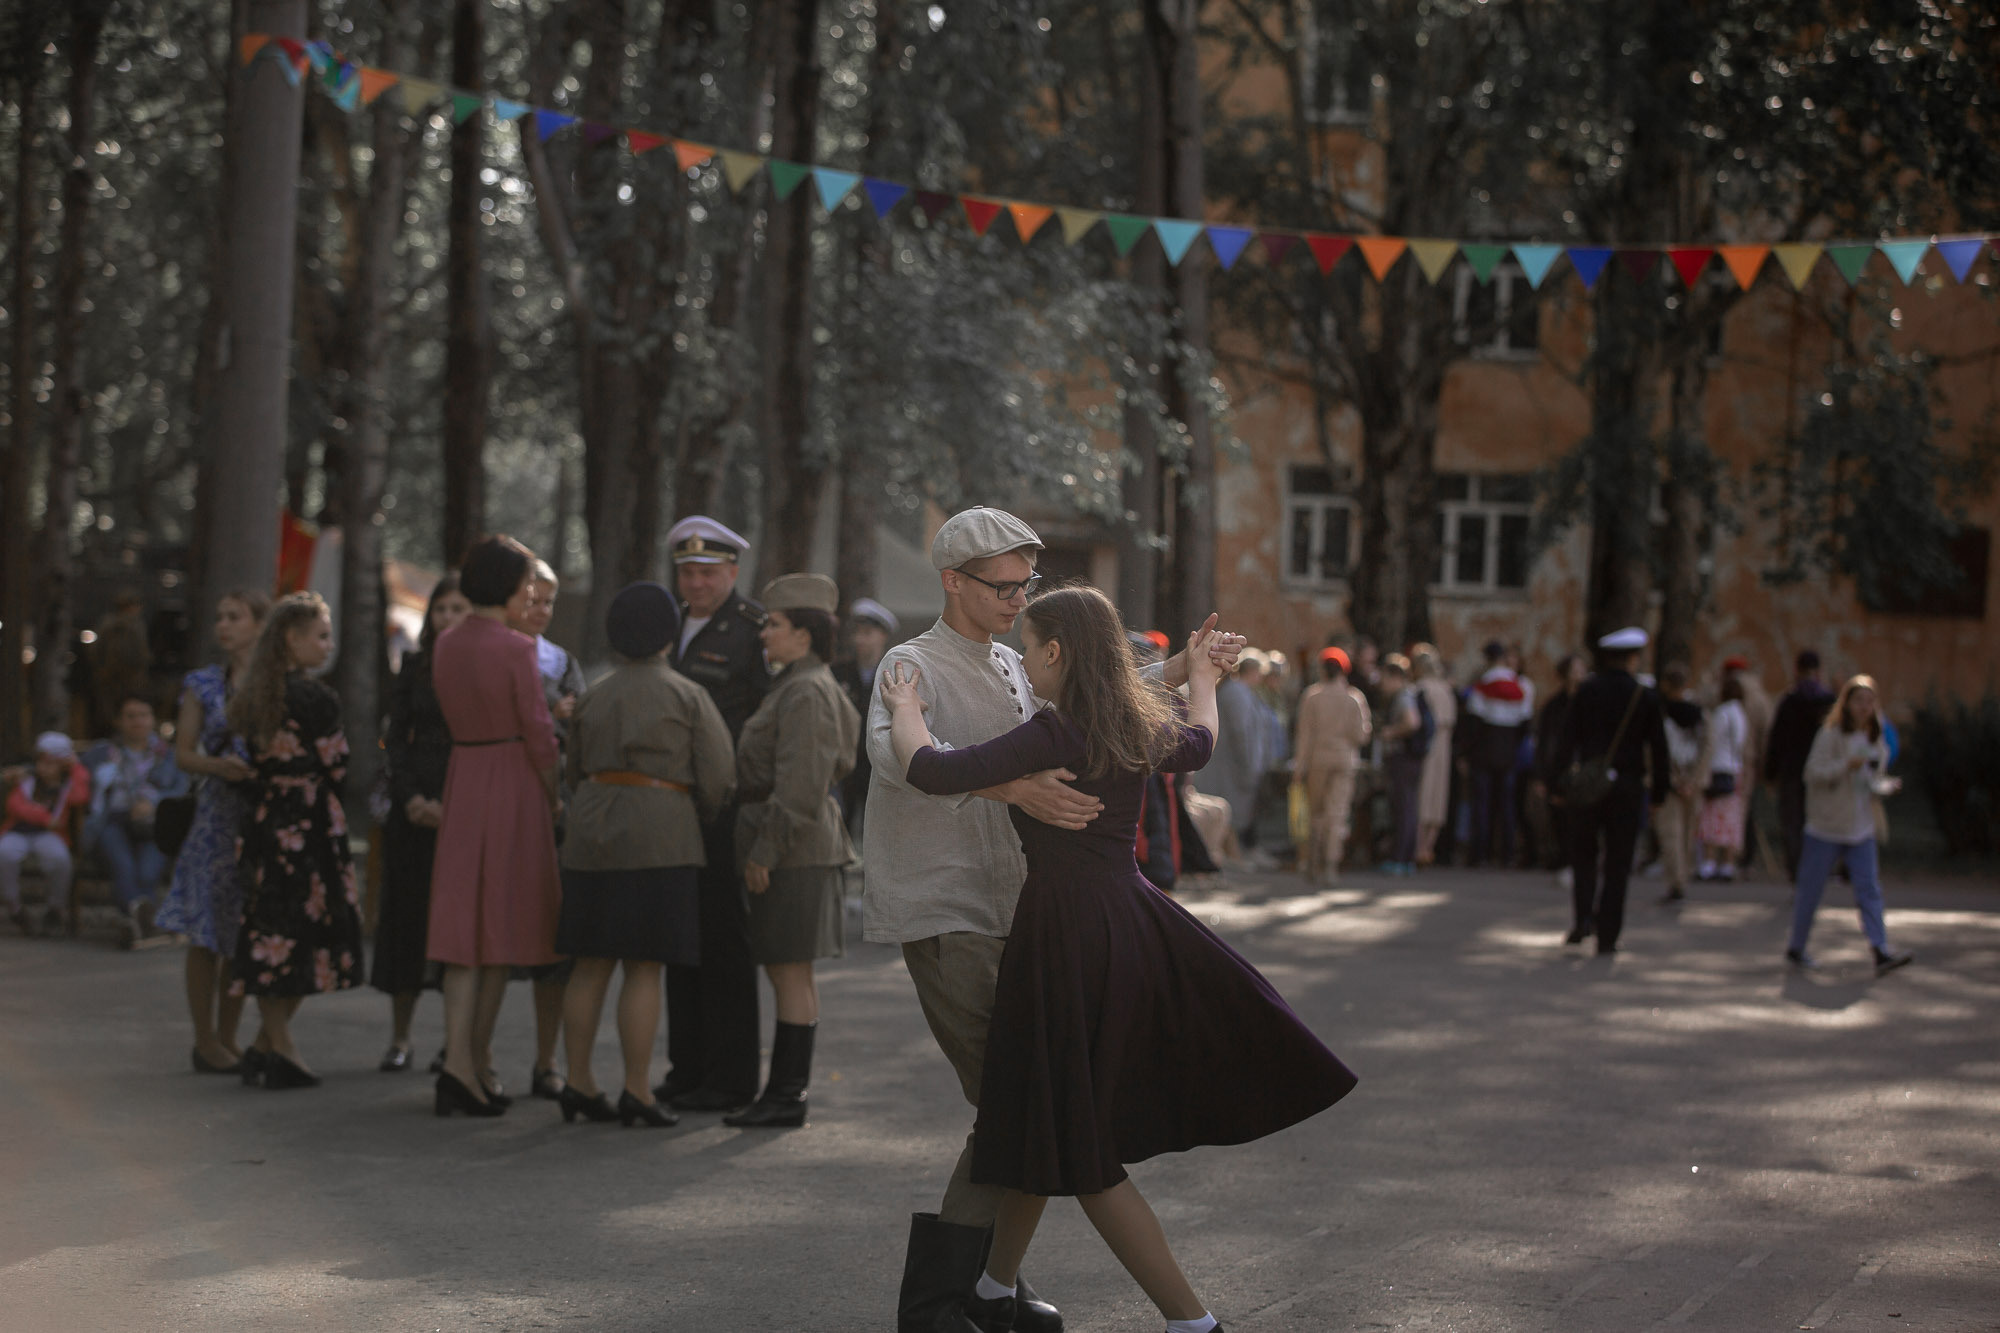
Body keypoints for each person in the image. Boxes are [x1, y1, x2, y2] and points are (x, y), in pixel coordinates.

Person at [880, 585, 1355, 1333]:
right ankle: (994, 1289)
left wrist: (907, 708)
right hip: (1127, 921)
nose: (1023, 663)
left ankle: (1191, 1322)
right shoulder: (1129, 722)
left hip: (1064, 934)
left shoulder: (1055, 730)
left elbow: (933, 770)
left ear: (1057, 653)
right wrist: (1202, 678)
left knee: (1077, 1137)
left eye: (1030, 650)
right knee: (1042, 1110)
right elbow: (1200, 741)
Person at [864, 506, 1244, 1333]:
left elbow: (1099, 694)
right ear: (952, 581)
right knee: (1019, 1100)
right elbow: (899, 765)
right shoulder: (910, 661)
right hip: (952, 906)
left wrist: (1187, 665)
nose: (1017, 599)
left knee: (1029, 1102)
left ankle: (985, 1289)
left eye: (1026, 585)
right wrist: (1015, 786)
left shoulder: (1018, 658)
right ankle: (945, 1301)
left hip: (1033, 912)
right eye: (1003, 585)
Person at [556, 582, 735, 1128]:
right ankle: (637, 1089)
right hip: (662, 837)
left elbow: (573, 770)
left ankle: (577, 1082)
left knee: (588, 964)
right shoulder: (687, 694)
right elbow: (719, 775)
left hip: (590, 836)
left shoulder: (593, 695)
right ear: (667, 636)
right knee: (643, 967)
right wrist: (694, 813)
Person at [427, 535, 564, 1118]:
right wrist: (553, 791)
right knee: (500, 930)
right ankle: (471, 1063)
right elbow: (538, 730)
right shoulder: (515, 647)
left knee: (464, 934)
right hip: (511, 781)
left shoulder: (446, 643)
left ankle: (462, 1062)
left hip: (465, 777)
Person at [725, 573, 861, 1129]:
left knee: (788, 972)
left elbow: (802, 783)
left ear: (804, 635)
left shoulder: (805, 691)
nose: (765, 634)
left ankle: (786, 1095)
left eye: (775, 625)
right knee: (791, 971)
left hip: (794, 848)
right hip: (800, 845)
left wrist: (766, 851)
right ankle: (785, 1093)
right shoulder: (801, 684)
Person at [226, 593, 365, 1089]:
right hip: (311, 823)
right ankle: (280, 1046)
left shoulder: (252, 696)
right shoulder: (317, 700)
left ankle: (266, 1046)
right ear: (292, 638)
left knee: (272, 932)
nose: (328, 645)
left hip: (266, 821)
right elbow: (337, 765)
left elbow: (247, 764)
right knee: (312, 929)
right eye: (321, 636)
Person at [656, 516, 769, 1113]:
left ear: (732, 571)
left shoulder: (753, 630)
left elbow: (765, 721)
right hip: (672, 802)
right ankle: (686, 1067)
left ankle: (730, 1077)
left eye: (707, 572)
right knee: (680, 937)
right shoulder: (667, 624)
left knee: (724, 942)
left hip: (724, 805)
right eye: (687, 573)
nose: (696, 583)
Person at [156, 590, 269, 1072]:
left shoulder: (274, 682)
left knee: (244, 929)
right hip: (216, 814)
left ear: (259, 625)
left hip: (259, 813)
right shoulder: (203, 683)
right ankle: (204, 1039)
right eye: (220, 617)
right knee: (206, 930)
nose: (223, 625)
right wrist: (219, 767)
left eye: (234, 617)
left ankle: (228, 1037)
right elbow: (183, 753)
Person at [370, 575, 470, 1073]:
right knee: (406, 922)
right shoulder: (414, 666)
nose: (448, 618)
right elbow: (395, 739)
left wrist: (454, 805)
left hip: (466, 801)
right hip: (413, 806)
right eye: (441, 609)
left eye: (458, 609)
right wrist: (410, 797)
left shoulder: (483, 666)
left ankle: (457, 1042)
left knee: (460, 928)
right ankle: (400, 1036)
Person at [507, 557, 585, 1102]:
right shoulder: (494, 654)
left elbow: (577, 726)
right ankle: (469, 1054)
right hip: (504, 800)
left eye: (548, 602)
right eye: (531, 600)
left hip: (554, 807)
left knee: (555, 942)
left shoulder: (562, 661)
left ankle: (546, 1059)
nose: (539, 611)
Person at [1550, 628, 1670, 955]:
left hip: (1589, 785)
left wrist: (1558, 783)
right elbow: (1659, 749)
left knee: (1584, 855)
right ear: (1633, 658)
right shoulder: (1642, 695)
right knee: (1618, 862)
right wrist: (1659, 794)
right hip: (1627, 788)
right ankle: (1608, 933)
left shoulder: (1587, 691)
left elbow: (1566, 739)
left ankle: (1582, 919)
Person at [1786, 675, 1913, 976]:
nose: (1864, 707)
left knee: (1869, 889)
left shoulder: (1875, 737)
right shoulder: (1830, 734)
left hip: (1861, 826)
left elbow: (1872, 778)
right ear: (1847, 703)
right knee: (1810, 890)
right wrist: (1845, 766)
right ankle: (1797, 947)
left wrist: (1884, 786)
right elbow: (1812, 773)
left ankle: (1880, 949)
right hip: (1827, 826)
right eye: (1859, 701)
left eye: (1870, 701)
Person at [83, 695, 189, 935]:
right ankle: (143, 922)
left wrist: (154, 802)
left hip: (154, 824)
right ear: (119, 721)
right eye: (130, 716)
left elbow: (182, 789)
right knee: (123, 866)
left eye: (143, 715)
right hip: (112, 821)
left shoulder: (169, 755)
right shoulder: (101, 753)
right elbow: (66, 769)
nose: (137, 722)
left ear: (152, 719)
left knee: (147, 872)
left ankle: (134, 923)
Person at [1293, 647, 1372, 884]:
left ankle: (1312, 863)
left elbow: (1304, 735)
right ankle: (1330, 866)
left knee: (1316, 813)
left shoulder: (1312, 696)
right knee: (1336, 814)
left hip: (1317, 760)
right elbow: (1362, 736)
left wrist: (1299, 767)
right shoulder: (1354, 698)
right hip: (1344, 761)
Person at [2, 733, 91, 936]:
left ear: (63, 764)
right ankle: (14, 908)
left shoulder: (69, 784)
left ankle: (55, 910)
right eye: (41, 762)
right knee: (4, 854)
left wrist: (75, 767)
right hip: (19, 831)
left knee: (59, 859)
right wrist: (43, 817)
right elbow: (14, 806)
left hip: (50, 835)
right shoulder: (27, 780)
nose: (44, 767)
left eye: (51, 763)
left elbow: (81, 796)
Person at [1460, 641, 1531, 868]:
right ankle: (1507, 854)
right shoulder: (1521, 686)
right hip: (1508, 751)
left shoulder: (1482, 686)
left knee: (1482, 804)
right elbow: (1525, 723)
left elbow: (1474, 724)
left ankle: (1480, 854)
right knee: (1507, 804)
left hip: (1484, 751)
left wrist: (1466, 752)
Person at [1764, 650, 1835, 880]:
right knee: (1816, 822)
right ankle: (1816, 868)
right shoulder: (1828, 701)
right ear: (1819, 670)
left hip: (1792, 771)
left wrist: (1770, 774)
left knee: (1793, 823)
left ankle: (1798, 871)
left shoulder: (1790, 701)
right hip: (1820, 773)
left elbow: (1776, 739)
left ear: (1796, 670)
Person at [834, 597, 899, 844]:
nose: (860, 640)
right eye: (858, 633)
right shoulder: (839, 674)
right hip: (846, 764)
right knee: (842, 828)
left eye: (868, 633)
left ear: (883, 636)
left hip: (879, 765)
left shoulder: (894, 676)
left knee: (879, 832)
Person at [1653, 665, 1710, 904]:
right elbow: (1707, 748)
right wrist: (1694, 780)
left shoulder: (1661, 713)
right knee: (1686, 832)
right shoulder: (1699, 714)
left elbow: (1657, 751)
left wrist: (1677, 780)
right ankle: (1681, 877)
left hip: (1671, 781)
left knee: (1672, 833)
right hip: (1691, 782)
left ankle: (1676, 880)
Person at [1531, 653, 1586, 890]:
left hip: (1584, 770)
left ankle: (1578, 862)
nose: (1579, 673)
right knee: (1560, 817)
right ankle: (1565, 861)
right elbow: (1544, 741)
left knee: (1581, 817)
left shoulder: (1589, 702)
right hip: (1559, 770)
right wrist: (1541, 776)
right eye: (1575, 669)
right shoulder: (1554, 706)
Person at [1207, 655, 1270, 858]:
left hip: (1235, 763)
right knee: (1232, 810)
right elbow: (1240, 731)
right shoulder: (1236, 693)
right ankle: (1233, 856)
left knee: (1234, 810)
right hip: (1234, 765)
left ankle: (1234, 854)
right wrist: (1249, 763)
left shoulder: (1239, 691)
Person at [1721, 655, 1773, 875]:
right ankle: (1738, 858)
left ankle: (1726, 857)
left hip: (1724, 762)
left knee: (1725, 809)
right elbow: (1766, 732)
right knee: (1741, 809)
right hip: (1747, 761)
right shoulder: (1759, 697)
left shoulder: (1721, 693)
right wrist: (1763, 762)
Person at [1697, 673, 1750, 881]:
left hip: (1718, 767)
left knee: (1711, 816)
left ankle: (1709, 861)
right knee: (1730, 818)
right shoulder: (1740, 713)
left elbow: (1713, 742)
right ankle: (1727, 863)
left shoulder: (1722, 713)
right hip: (1734, 768)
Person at [1409, 645, 1457, 867]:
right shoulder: (1445, 689)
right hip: (1443, 747)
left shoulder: (1420, 689)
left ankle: (1419, 848)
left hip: (1427, 746)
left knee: (1423, 796)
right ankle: (1428, 848)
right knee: (1437, 797)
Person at [90, 589, 153, 737]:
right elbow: (97, 651)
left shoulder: (137, 625)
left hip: (133, 677)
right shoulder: (110, 625)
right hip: (111, 677)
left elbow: (142, 651)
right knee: (109, 712)